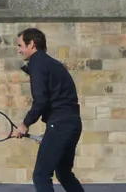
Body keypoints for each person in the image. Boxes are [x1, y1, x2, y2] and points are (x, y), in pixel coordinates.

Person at [12, 28, 84, 192]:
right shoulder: (53, 64)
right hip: (72, 124)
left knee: (41, 176)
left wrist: (25, 124)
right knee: (64, 173)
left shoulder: (38, 65)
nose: (19, 50)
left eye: (21, 45)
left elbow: (40, 101)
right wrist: (50, 133)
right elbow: (63, 101)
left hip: (60, 126)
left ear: (32, 44)